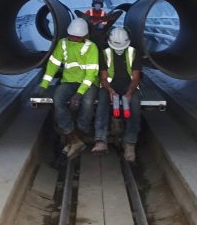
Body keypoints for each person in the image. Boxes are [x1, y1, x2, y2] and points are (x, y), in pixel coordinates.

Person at [36, 17, 99, 159]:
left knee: (87, 103)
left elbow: (91, 74)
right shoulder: (62, 44)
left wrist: (79, 94)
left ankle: (79, 135)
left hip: (88, 83)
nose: (74, 39)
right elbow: (53, 65)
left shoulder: (91, 47)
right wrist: (43, 84)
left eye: (77, 37)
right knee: (58, 99)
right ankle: (73, 138)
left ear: (84, 36)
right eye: (72, 36)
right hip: (68, 81)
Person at [91, 27, 141, 162]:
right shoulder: (105, 53)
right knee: (102, 103)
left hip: (129, 85)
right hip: (109, 85)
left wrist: (129, 92)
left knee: (135, 104)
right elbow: (103, 78)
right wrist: (110, 90)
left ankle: (130, 142)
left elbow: (136, 78)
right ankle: (101, 139)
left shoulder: (133, 53)